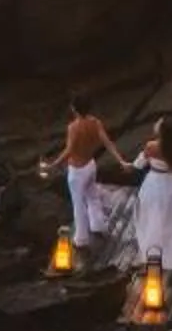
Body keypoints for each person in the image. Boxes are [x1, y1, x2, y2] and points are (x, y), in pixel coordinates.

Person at [40, 93, 125, 249]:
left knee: (78, 204)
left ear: (74, 109)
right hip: (91, 165)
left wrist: (53, 164)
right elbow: (108, 143)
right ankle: (98, 225)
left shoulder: (73, 127)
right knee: (92, 196)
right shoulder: (95, 123)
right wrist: (120, 160)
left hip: (77, 172)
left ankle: (81, 239)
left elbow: (69, 150)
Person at [125, 114, 172, 274]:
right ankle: (163, 253)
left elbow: (139, 164)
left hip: (153, 184)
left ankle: (150, 257)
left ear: (162, 130)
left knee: (149, 219)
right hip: (170, 186)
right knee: (167, 220)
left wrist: (129, 165)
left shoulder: (151, 146)